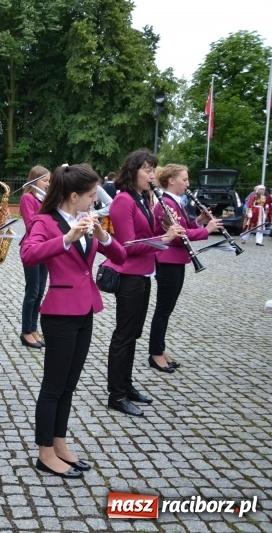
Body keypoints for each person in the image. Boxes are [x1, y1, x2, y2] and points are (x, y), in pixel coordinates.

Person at [21, 163, 126, 479]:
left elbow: (121, 258)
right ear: (74, 195)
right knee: (53, 386)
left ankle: (60, 443)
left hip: (85, 310)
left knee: (69, 385)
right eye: (92, 195)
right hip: (59, 313)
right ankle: (44, 453)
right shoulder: (45, 221)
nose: (96, 200)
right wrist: (67, 238)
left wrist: (102, 234)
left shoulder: (88, 220)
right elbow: (28, 254)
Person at [103, 149, 180, 417]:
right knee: (124, 335)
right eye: (147, 170)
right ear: (132, 171)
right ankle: (116, 394)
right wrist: (165, 240)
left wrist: (168, 229)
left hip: (144, 274)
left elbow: (147, 234)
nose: (151, 175)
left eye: (153, 170)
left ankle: (127, 385)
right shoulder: (123, 201)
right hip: (129, 276)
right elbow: (126, 246)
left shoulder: (143, 198)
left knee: (134, 334)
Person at [148, 164, 221, 372]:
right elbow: (180, 235)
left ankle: (160, 349)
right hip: (168, 260)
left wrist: (199, 221)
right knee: (163, 309)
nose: (187, 184)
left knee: (167, 309)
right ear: (171, 180)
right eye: (184, 179)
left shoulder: (175, 202)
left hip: (176, 260)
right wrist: (207, 230)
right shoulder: (165, 203)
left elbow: (186, 227)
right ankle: (155, 353)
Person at [18, 165, 50, 349]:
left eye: (48, 181)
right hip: (32, 248)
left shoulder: (45, 199)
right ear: (35, 180)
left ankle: (33, 328)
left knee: (39, 292)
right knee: (32, 291)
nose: (47, 184)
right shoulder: (28, 198)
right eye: (45, 180)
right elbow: (32, 225)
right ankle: (25, 332)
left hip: (44, 248)